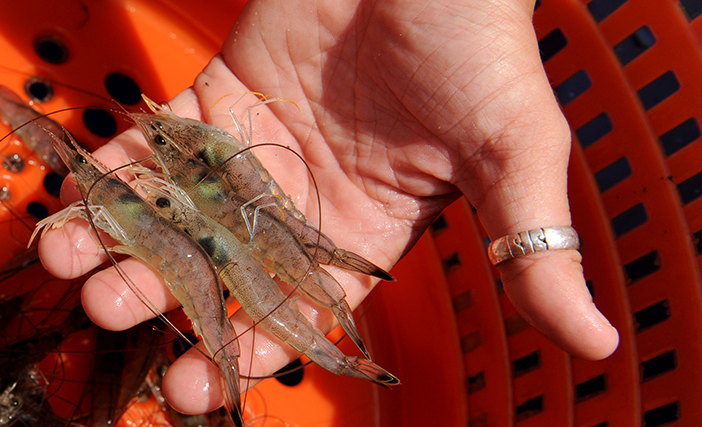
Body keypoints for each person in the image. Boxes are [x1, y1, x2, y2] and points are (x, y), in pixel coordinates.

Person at [35, 0, 619, 415]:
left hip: (252, 201)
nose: (158, 146)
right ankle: (344, 352)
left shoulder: (207, 156)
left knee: (296, 257)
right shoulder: (208, 158)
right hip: (232, 199)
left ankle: (346, 351)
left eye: (164, 143)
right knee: (243, 270)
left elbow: (222, 159)